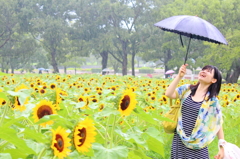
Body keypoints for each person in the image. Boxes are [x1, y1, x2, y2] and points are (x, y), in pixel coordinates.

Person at [165, 64, 225, 159]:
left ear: (213, 80)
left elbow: (217, 123)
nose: (203, 71)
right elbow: (168, 93)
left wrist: (222, 146)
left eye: (208, 71)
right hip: (179, 139)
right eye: (203, 69)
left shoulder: (212, 101)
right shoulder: (187, 90)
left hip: (198, 143)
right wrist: (179, 76)